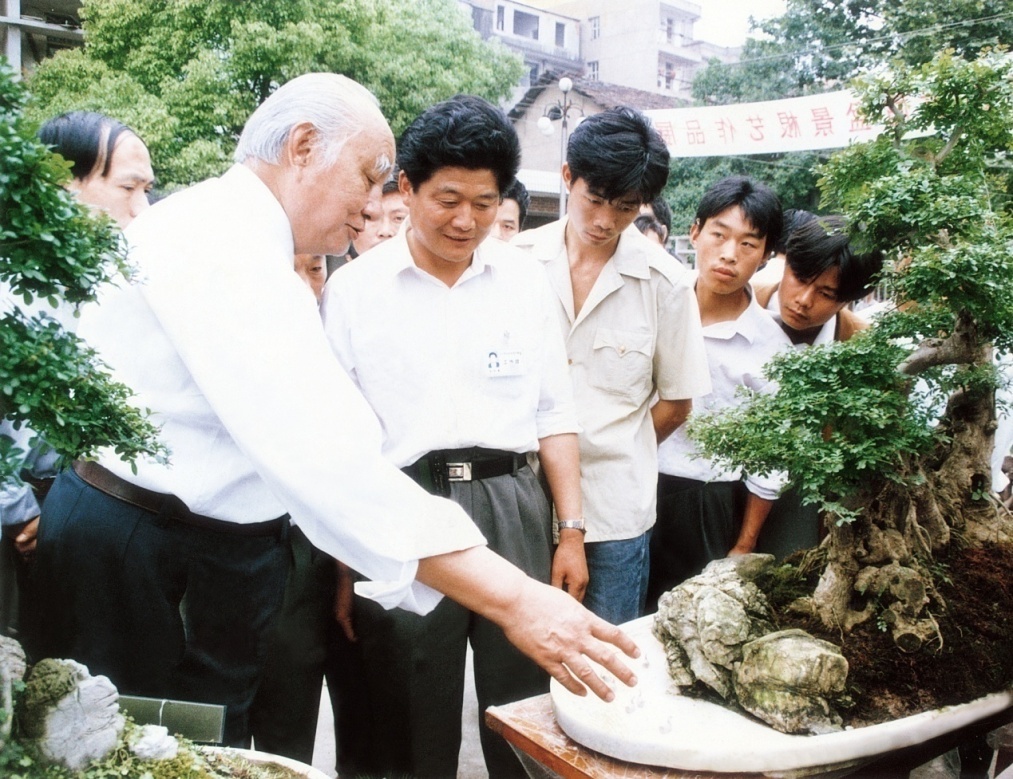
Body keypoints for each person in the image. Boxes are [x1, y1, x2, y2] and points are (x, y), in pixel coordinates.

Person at [31, 73, 638, 749]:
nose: (375, 199)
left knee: (195, 744)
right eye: (370, 174)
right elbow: (330, 457)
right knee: (140, 750)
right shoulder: (221, 245)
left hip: (208, 553)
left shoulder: (254, 243)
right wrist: (516, 599)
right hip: (145, 557)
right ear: (301, 146)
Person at [322, 94, 584, 779]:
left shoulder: (525, 283)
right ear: (404, 188)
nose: (465, 220)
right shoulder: (355, 292)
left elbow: (554, 411)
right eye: (446, 199)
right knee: (409, 711)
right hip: (403, 506)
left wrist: (571, 530)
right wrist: (346, 565)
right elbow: (339, 443)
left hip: (512, 503)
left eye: (482, 201)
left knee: (526, 705)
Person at [513, 107, 710, 624]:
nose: (604, 220)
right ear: (566, 178)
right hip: (521, 500)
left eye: (624, 207)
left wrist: (619, 447)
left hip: (613, 514)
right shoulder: (514, 263)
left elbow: (677, 401)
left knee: (603, 657)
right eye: (594, 199)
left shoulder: (666, 284)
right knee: (518, 666)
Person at [0, 111, 154, 652]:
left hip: (85, 518)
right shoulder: (13, 285)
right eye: (127, 188)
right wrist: (22, 513)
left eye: (148, 190)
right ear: (65, 185)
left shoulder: (115, 284)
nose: (142, 209)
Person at [646, 176, 790, 606]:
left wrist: (743, 545)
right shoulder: (653, 300)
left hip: (705, 503)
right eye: (719, 235)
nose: (729, 254)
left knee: (683, 620)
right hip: (629, 481)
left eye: (748, 244)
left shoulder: (770, 347)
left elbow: (772, 461)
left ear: (766, 256)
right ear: (695, 232)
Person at [752, 213, 883, 559]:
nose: (804, 300)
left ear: (849, 298)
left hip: (801, 492)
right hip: (716, 484)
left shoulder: (861, 348)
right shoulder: (737, 303)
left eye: (826, 292)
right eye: (799, 278)